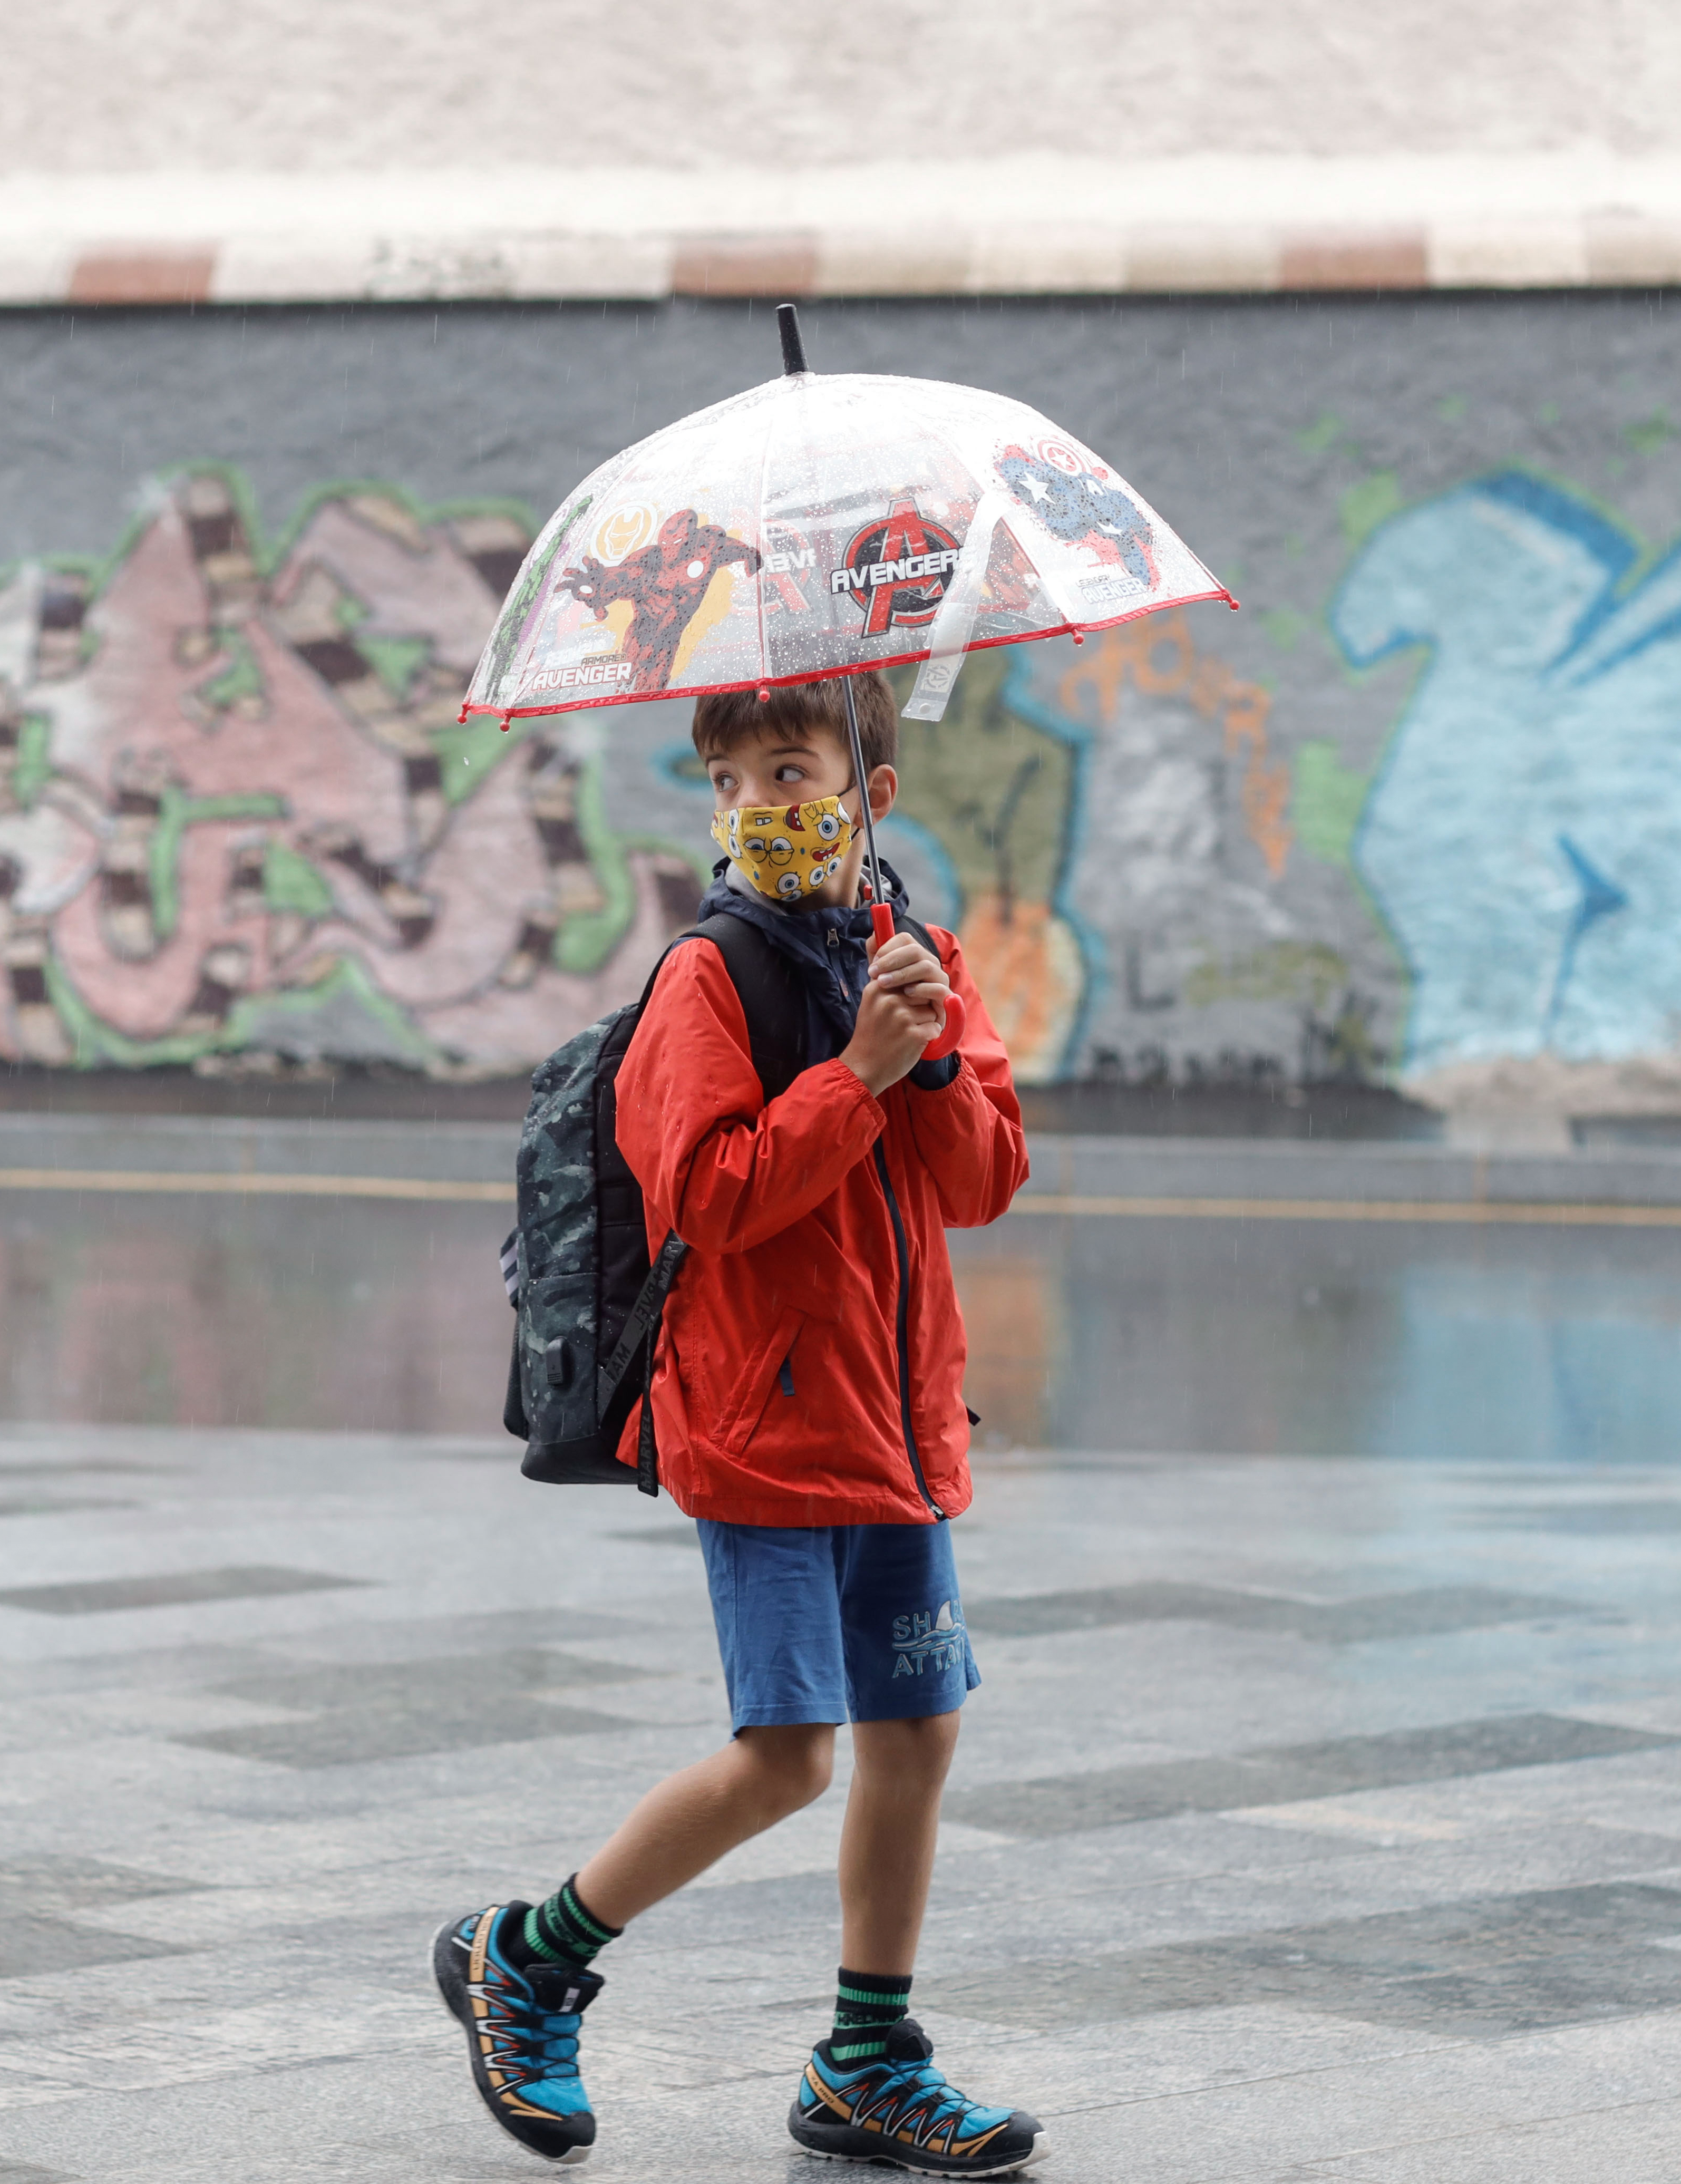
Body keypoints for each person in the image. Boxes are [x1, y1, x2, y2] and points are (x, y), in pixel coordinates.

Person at [437, 672, 1041, 2176]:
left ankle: (865, 2061)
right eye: (732, 781)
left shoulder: (918, 958)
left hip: (896, 1429)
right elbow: (709, 1196)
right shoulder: (708, 978)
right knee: (787, 1756)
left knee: (917, 1734)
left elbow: (982, 1185)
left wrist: (931, 1056)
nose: (759, 806)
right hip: (763, 1431)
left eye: (790, 772)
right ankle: (530, 1954)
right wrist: (856, 1077)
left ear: (868, 795)